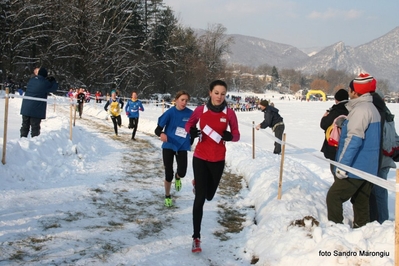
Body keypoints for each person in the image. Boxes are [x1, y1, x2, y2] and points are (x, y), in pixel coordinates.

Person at [185, 80, 240, 253]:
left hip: (218, 159)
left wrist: (230, 136)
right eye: (216, 93)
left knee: (209, 196)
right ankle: (196, 237)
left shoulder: (229, 113)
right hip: (200, 157)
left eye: (223, 94)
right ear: (210, 93)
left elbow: (237, 135)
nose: (219, 97)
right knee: (200, 198)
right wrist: (192, 131)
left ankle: (198, 185)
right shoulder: (201, 110)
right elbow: (189, 124)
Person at [326, 73, 381, 228]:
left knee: (334, 196)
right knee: (360, 202)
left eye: (350, 90)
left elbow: (353, 140)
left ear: (356, 92)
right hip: (369, 167)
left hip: (356, 167)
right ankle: (361, 230)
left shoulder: (361, 110)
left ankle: (335, 230)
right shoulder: (372, 108)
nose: (349, 92)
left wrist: (342, 166)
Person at [154, 91, 193, 207]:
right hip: (169, 145)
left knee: (182, 171)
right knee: (168, 173)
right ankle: (167, 195)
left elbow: (193, 130)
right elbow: (157, 130)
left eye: (186, 100)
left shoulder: (190, 114)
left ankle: (178, 177)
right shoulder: (169, 113)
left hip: (182, 146)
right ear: (176, 100)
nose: (184, 102)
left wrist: (193, 137)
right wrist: (161, 134)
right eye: (182, 100)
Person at [369, 90, 396, 224]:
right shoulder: (388, 114)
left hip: (380, 160)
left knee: (378, 193)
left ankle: (382, 222)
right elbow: (393, 137)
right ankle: (378, 220)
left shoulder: (378, 115)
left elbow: (385, 141)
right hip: (385, 160)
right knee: (377, 193)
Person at [20, 67, 58, 138]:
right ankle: (35, 143)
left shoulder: (31, 80)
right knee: (35, 127)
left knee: (25, 126)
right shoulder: (45, 83)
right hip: (36, 109)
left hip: (26, 107)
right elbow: (54, 88)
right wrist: (53, 81)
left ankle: (22, 140)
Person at [320, 89, 349, 179]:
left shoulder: (336, 110)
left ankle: (338, 187)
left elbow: (324, 125)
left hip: (335, 142)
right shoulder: (353, 109)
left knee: (335, 166)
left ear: (337, 99)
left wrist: (324, 117)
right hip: (350, 142)